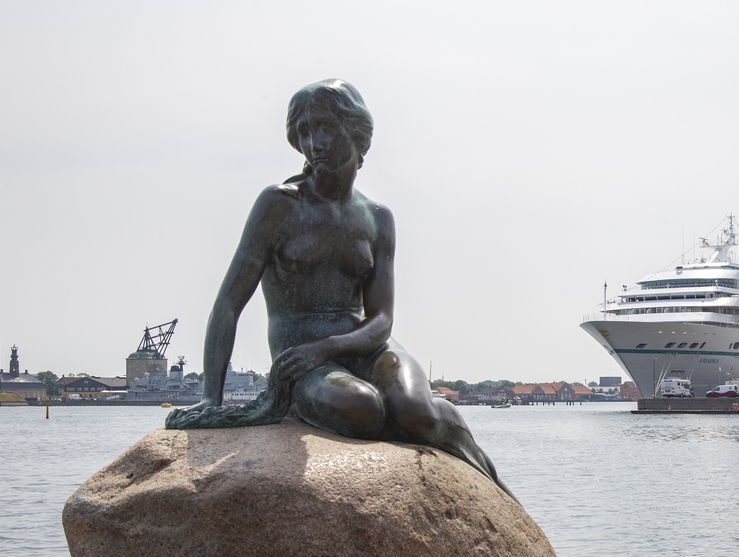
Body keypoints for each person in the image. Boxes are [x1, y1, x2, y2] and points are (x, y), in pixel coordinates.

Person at [167, 79, 506, 492]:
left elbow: (382, 318)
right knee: (362, 410)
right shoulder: (279, 205)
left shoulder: (377, 218)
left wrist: (331, 345)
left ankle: (481, 468)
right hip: (302, 359)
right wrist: (210, 399)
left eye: (325, 128)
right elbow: (228, 304)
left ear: (356, 132)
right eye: (305, 132)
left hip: (365, 348)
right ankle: (309, 403)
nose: (314, 143)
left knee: (418, 413)